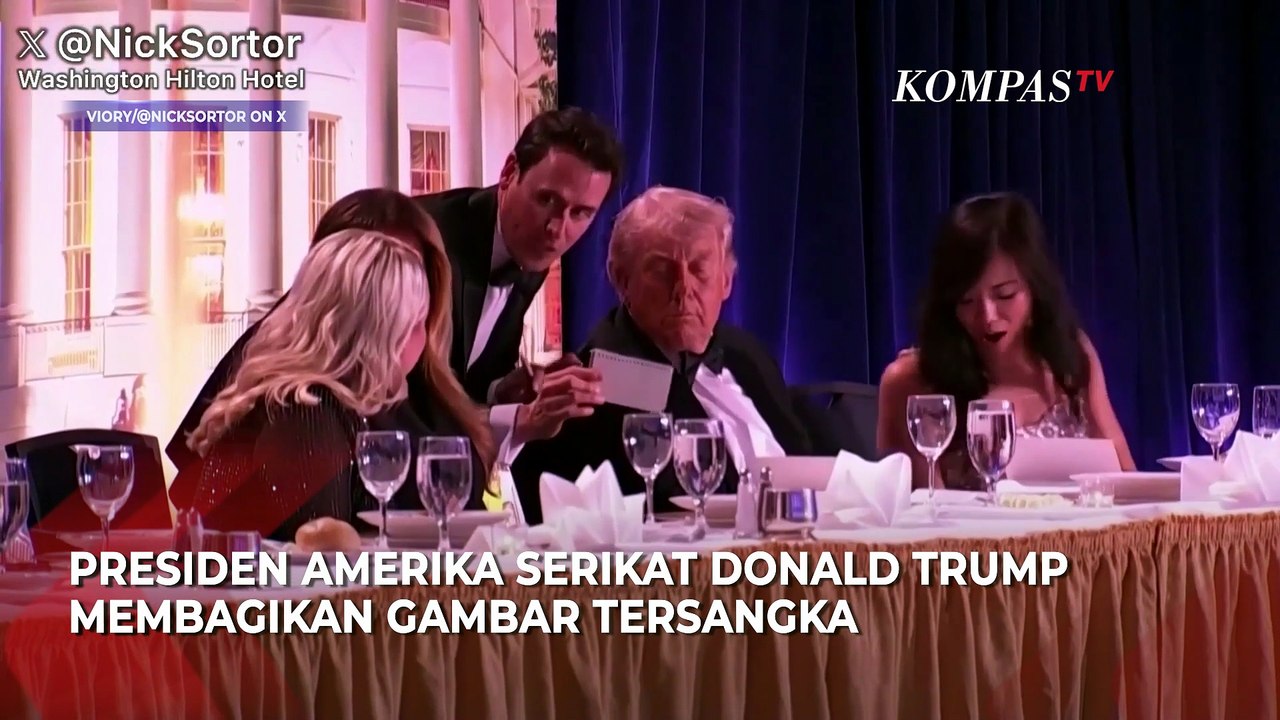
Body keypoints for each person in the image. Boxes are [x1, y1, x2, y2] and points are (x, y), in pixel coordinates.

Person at [509, 187, 814, 525]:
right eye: (662, 270)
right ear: (622, 280)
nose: (683, 288)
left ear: (726, 281)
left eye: (699, 268)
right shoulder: (592, 388)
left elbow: (807, 467)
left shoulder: (748, 355)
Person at [171, 229, 487, 541]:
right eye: (417, 323)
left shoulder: (304, 400)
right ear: (379, 332)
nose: (425, 338)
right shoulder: (305, 410)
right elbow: (324, 558)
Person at [167, 189, 496, 478]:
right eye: (372, 269)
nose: (391, 290)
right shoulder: (303, 406)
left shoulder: (429, 384)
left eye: (405, 268)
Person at [876, 191, 1136, 490]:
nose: (988, 317)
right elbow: (922, 507)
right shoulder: (913, 381)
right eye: (967, 300)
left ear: (1035, 289)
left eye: (1005, 295)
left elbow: (1125, 476)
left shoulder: (1069, 356)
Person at [412, 106, 626, 451]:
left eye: (580, 213)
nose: (557, 229)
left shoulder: (529, 248)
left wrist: (503, 391)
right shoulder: (427, 243)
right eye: (546, 199)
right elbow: (403, 402)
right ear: (509, 171)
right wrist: (521, 420)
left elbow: (464, 380)